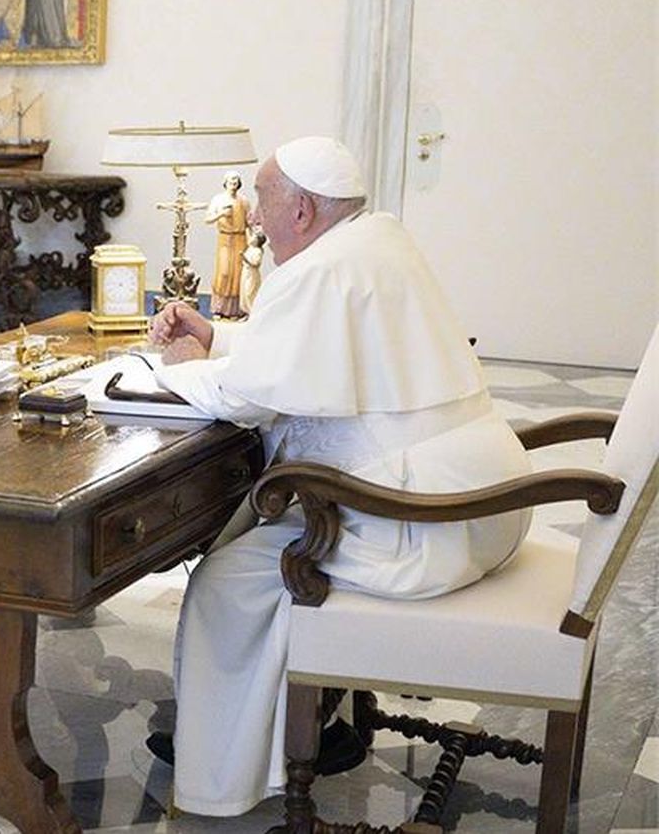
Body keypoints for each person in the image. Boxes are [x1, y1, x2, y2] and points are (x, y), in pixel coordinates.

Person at [144, 137, 532, 818]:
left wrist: (178, 368)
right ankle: (310, 719)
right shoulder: (377, 241)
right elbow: (307, 349)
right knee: (258, 540)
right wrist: (215, 337)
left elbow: (248, 396)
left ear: (302, 210)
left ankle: (227, 773)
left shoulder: (319, 271)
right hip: (486, 505)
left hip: (419, 527)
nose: (253, 216)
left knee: (226, 581)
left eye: (262, 199)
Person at [202, 171, 250, 319]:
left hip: (240, 239)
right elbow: (207, 219)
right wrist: (221, 214)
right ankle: (219, 308)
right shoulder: (218, 199)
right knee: (224, 272)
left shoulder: (244, 201)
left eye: (235, 181)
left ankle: (236, 310)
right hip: (225, 238)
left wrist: (253, 239)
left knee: (238, 274)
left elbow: (249, 221)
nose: (233, 184)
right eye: (230, 181)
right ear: (225, 183)